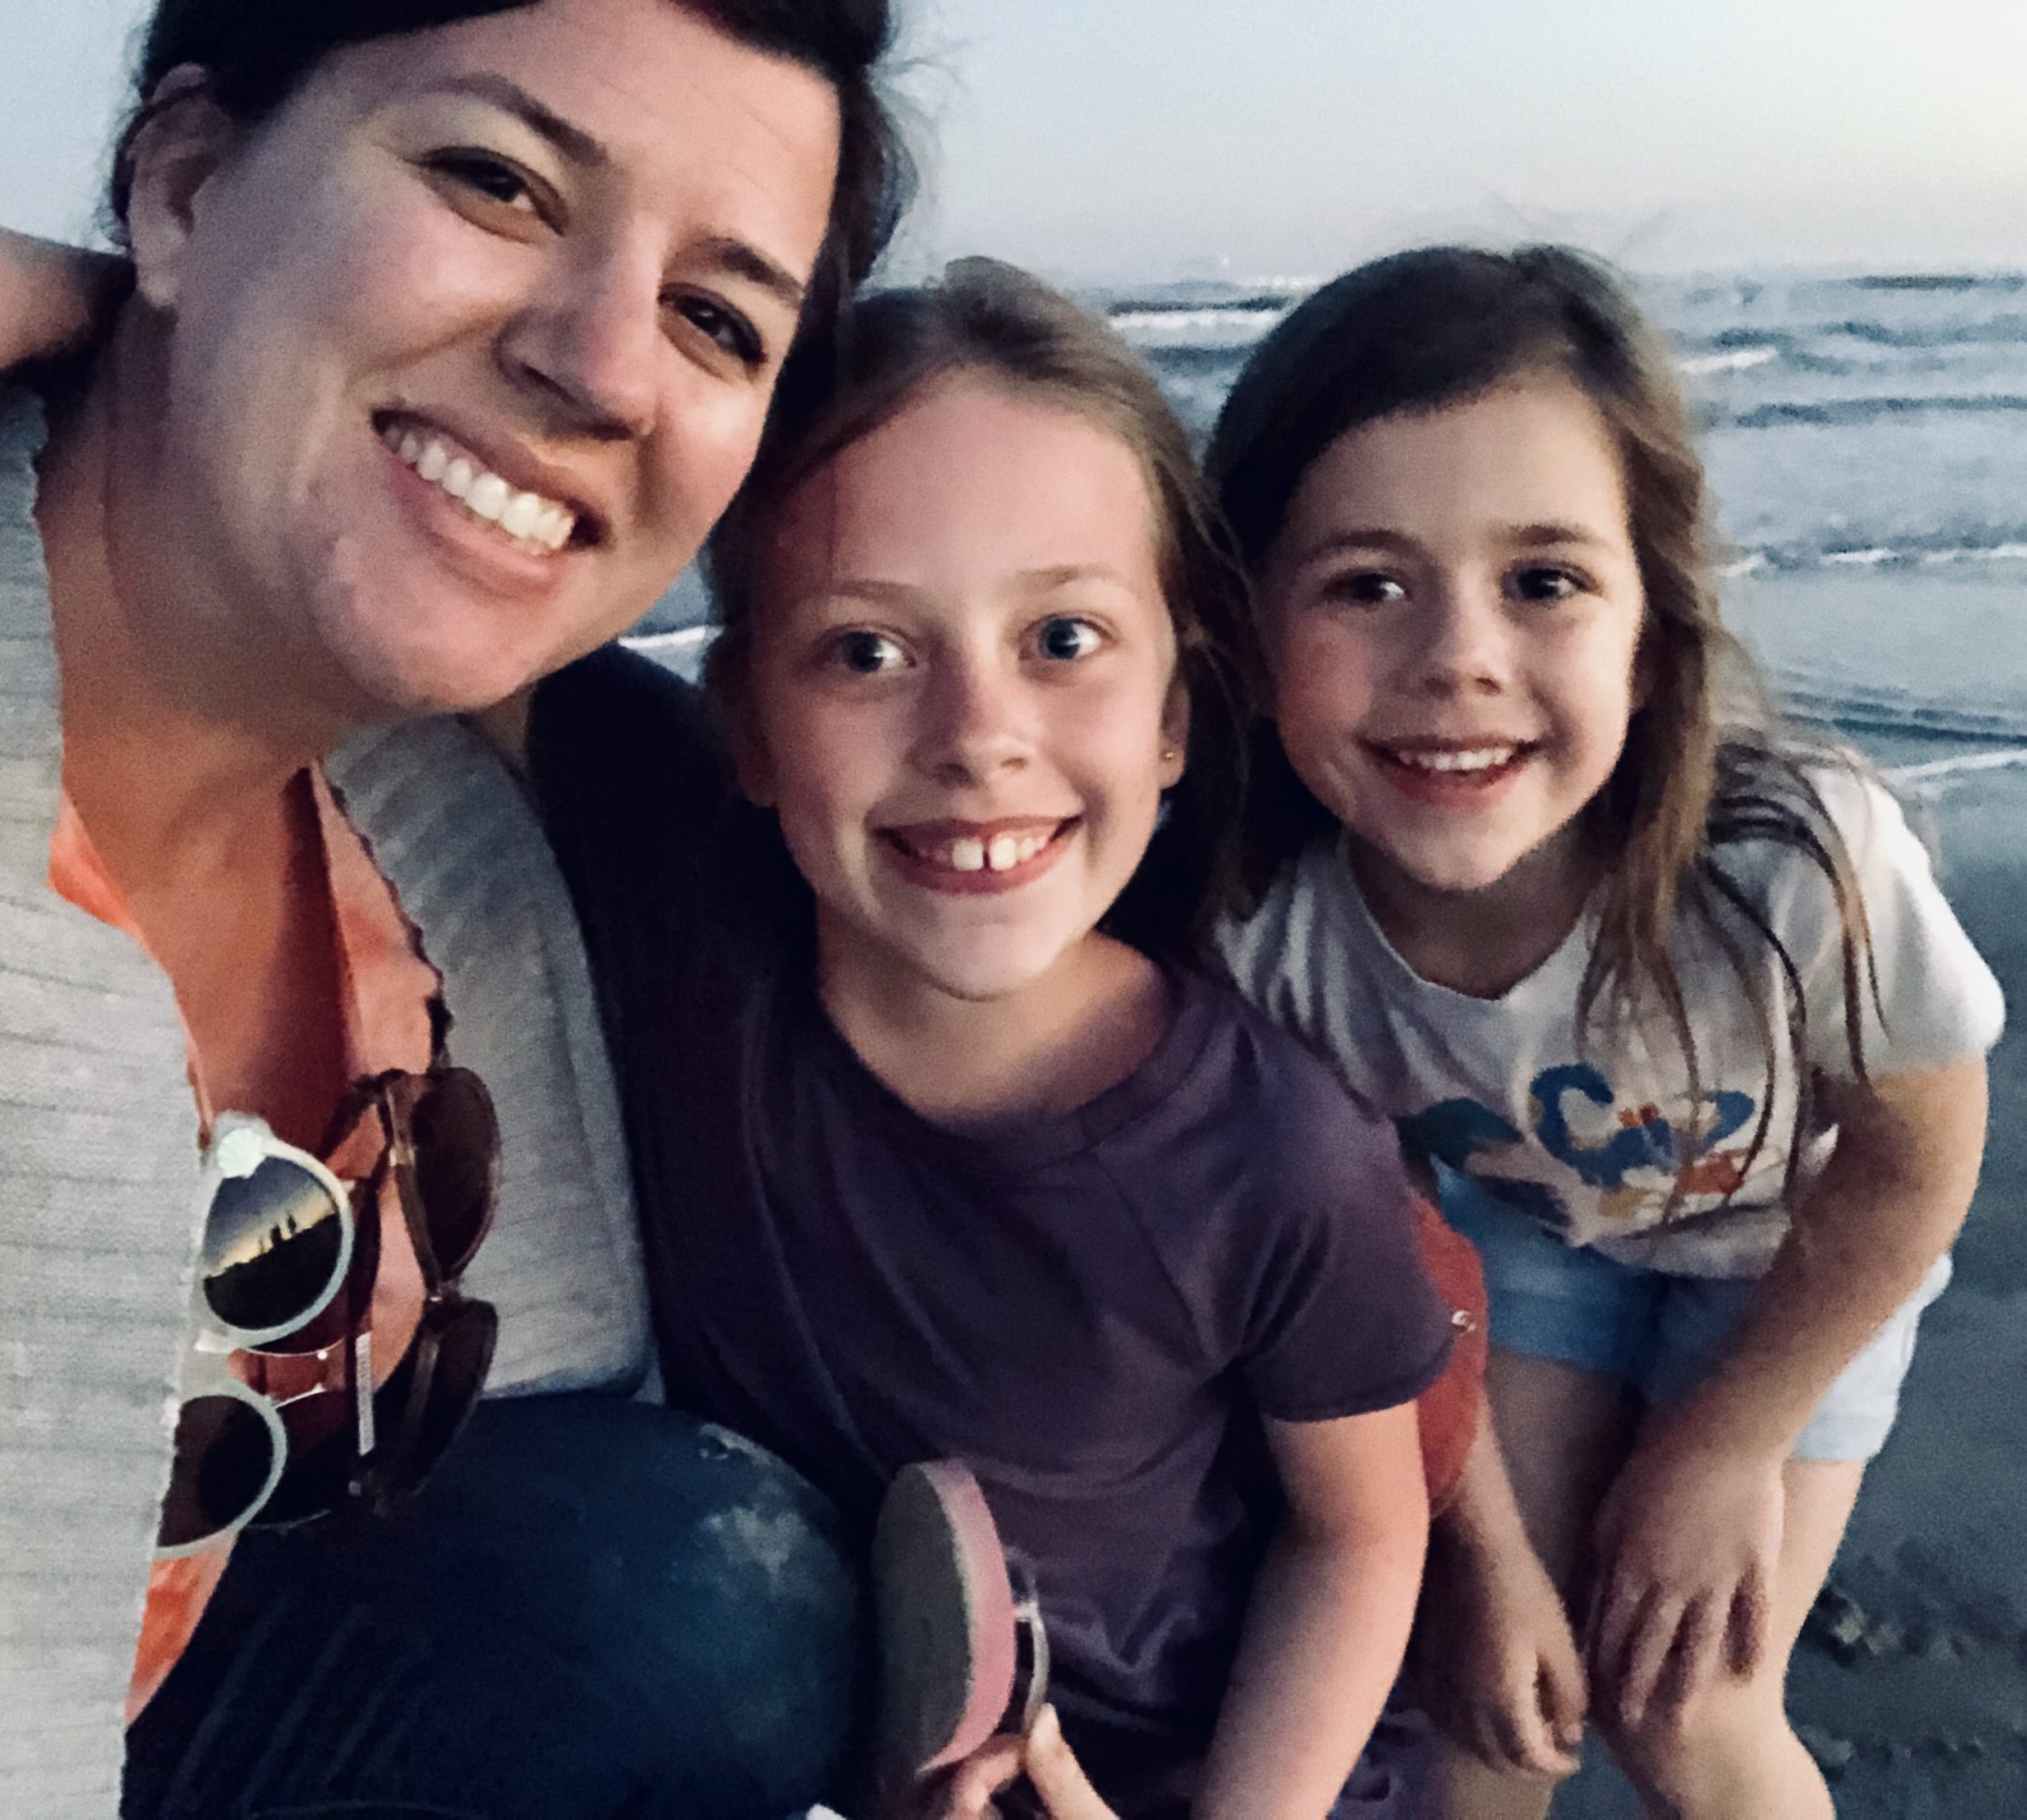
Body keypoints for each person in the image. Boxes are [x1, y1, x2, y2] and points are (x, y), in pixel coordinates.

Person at [0, 0, 911, 1813]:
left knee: (690, 1578)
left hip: (156, 1713)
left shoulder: (454, 870)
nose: (603, 367)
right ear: (189, 186)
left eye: (715, 317)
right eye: (496, 180)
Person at [529, 258, 1454, 1820]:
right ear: (747, 722)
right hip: (807, 1722)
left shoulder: (1275, 1159)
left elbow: (1358, 1533)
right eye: (865, 652)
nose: (976, 734)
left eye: (1065, 639)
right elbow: (424, 568)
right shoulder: (687, 894)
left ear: (1174, 715)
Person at [1206, 246, 2003, 1820]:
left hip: (1793, 1258)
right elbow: (1388, 1256)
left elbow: (1916, 1164)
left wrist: (1719, 1454)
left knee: (1691, 1710)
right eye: (1366, 584)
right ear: (1243, 623)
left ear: (1653, 617)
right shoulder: (1263, 930)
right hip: (1508, 1244)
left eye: (1546, 580)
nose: (1460, 660)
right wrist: (1484, 1554)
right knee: (1495, 1710)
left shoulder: (1793, 866)